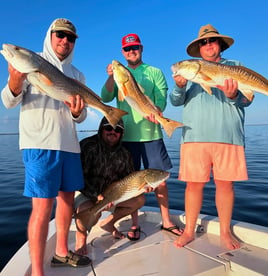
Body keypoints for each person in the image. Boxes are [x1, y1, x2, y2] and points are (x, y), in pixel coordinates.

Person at [1, 18, 91, 275]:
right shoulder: (32, 61)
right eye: (60, 35)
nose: (65, 41)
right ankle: (38, 271)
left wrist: (77, 113)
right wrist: (15, 80)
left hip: (70, 146)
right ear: (50, 36)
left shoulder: (77, 74)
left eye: (70, 38)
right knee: (41, 206)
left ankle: (61, 253)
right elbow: (8, 101)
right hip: (40, 144)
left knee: (66, 200)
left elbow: (81, 117)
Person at [169, 24, 253, 249]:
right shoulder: (192, 74)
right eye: (203, 42)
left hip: (229, 136)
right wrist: (179, 87)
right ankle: (188, 231)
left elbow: (248, 99)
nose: (208, 45)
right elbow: (176, 101)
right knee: (193, 186)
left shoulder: (236, 67)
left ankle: (225, 232)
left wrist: (235, 95)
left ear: (220, 45)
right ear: (198, 49)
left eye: (212, 41)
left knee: (226, 186)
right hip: (195, 135)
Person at [101, 33, 182, 236]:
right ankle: (134, 223)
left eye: (134, 47)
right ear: (123, 52)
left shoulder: (155, 72)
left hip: (152, 135)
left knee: (162, 180)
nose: (131, 51)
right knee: (132, 184)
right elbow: (105, 96)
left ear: (142, 48)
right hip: (126, 137)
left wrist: (158, 111)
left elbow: (161, 100)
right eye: (127, 49)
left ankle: (166, 220)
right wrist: (112, 76)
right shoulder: (118, 76)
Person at [74, 117, 146, 255]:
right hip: (86, 193)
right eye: (109, 128)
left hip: (112, 196)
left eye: (118, 130)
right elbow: (77, 176)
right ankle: (81, 238)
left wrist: (142, 187)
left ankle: (109, 223)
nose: (113, 132)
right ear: (101, 129)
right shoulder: (87, 146)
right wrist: (96, 195)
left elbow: (129, 180)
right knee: (89, 213)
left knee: (140, 200)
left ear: (121, 133)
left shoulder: (125, 153)